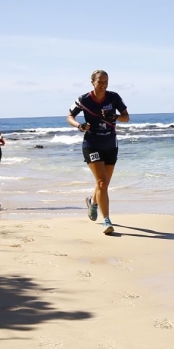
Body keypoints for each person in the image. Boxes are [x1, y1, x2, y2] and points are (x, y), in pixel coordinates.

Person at [66, 70, 130, 235]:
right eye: (100, 82)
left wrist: (113, 116)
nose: (103, 85)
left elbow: (126, 117)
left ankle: (93, 203)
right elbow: (69, 116)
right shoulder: (84, 100)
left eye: (106, 82)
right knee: (101, 182)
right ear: (92, 82)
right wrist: (79, 125)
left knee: (104, 183)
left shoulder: (114, 97)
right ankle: (107, 220)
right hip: (92, 144)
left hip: (110, 144)